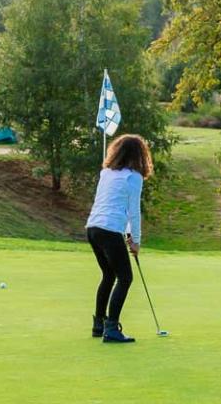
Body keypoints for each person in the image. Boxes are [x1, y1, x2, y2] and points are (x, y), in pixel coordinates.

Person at [86, 134, 151, 343]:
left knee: (109, 274)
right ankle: (111, 328)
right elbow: (133, 211)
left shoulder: (106, 173)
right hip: (110, 229)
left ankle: (99, 324)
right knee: (125, 277)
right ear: (140, 155)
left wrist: (130, 236)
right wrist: (137, 241)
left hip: (93, 228)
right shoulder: (134, 177)